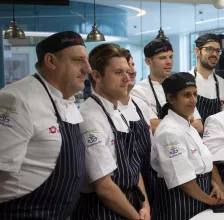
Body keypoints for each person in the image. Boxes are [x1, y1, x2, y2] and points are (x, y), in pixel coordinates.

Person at [0, 31, 89, 219]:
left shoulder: (68, 102)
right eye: (78, 60)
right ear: (50, 61)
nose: (87, 69)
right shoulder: (16, 99)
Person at [72, 44, 149, 220]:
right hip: (102, 210)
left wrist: (144, 204)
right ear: (97, 76)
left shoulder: (119, 112)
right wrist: (136, 217)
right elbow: (104, 187)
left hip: (131, 203)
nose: (127, 77)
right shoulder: (90, 117)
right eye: (118, 73)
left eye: (127, 71)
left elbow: (133, 167)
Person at [151, 72, 224, 220]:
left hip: (200, 197)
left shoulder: (188, 126)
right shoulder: (169, 132)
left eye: (195, 94)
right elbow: (183, 180)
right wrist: (211, 201)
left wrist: (212, 185)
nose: (193, 100)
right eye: (186, 95)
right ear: (171, 98)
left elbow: (200, 165)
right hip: (179, 202)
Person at [131, 38, 204, 133]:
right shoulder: (138, 91)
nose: (169, 62)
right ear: (148, 62)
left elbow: (199, 126)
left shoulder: (181, 85)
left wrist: (162, 123)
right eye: (162, 58)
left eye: (171, 57)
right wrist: (187, 121)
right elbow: (152, 126)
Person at [119, 49, 159, 210]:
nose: (133, 71)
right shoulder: (110, 109)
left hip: (149, 175)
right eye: (125, 66)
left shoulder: (139, 103)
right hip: (126, 185)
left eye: (133, 64)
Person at [190, 33, 224, 121]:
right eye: (209, 49)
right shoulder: (186, 80)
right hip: (191, 133)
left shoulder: (223, 84)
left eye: (217, 51)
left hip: (218, 133)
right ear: (197, 51)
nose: (214, 54)